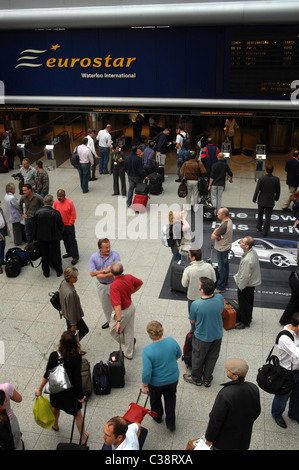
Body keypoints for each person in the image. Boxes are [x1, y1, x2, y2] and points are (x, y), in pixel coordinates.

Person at [35, 331, 88, 444]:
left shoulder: (54, 355)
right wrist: (80, 396)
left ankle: (55, 424)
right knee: (78, 414)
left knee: (56, 407)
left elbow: (47, 374)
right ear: (75, 343)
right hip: (70, 394)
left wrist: (39, 389)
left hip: (56, 391)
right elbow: (77, 380)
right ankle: (83, 438)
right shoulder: (76, 358)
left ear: (61, 343)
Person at [204, 358, 261, 450]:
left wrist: (209, 438)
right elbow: (257, 411)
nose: (226, 370)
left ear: (235, 376)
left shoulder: (226, 393)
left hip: (223, 442)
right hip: (243, 439)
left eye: (229, 370)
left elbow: (216, 419)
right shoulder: (253, 388)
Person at [141, 321, 182, 432]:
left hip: (156, 383)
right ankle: (171, 423)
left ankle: (157, 417)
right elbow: (179, 354)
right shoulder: (171, 341)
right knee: (170, 398)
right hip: (173, 379)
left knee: (155, 400)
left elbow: (147, 372)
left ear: (149, 334)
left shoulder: (147, 351)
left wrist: (144, 385)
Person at [183, 277, 224, 387]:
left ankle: (196, 378)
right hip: (217, 335)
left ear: (202, 290)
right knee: (212, 357)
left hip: (202, 337)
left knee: (198, 357)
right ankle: (207, 378)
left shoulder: (196, 304)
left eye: (199, 285)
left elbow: (192, 320)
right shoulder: (219, 298)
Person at [109, 261, 143, 360]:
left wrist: (118, 321)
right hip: (130, 307)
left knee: (113, 331)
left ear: (111, 272)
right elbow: (140, 283)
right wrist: (131, 292)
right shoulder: (129, 277)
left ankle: (130, 343)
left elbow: (117, 306)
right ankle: (129, 353)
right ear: (122, 270)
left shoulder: (114, 286)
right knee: (129, 330)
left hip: (123, 311)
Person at [271, 313, 299, 429]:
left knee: (297, 395)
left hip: (297, 370)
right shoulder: (285, 338)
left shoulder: (296, 332)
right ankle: (277, 414)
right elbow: (297, 354)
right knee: (282, 396)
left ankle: (294, 414)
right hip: (287, 372)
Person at [181, 249, 217, 331]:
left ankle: (194, 331)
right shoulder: (209, 266)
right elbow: (214, 280)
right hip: (208, 297)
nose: (189, 257)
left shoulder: (189, 269)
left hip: (193, 297)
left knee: (193, 317)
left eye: (190, 255)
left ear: (193, 258)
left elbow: (184, 284)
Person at [89, 238, 120, 329]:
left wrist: (104, 275)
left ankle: (119, 321)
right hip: (101, 286)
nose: (108, 249)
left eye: (109, 246)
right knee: (106, 306)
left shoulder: (115, 255)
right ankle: (110, 322)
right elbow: (92, 273)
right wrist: (104, 271)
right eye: (106, 248)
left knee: (117, 305)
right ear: (100, 248)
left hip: (113, 284)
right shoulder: (93, 257)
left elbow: (117, 271)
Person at [234, 236, 261, 329]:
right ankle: (247, 318)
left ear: (247, 246)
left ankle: (245, 322)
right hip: (251, 283)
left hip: (245, 285)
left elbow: (245, 275)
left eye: (243, 242)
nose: (240, 242)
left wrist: (241, 286)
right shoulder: (252, 252)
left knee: (244, 303)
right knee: (249, 302)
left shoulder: (247, 259)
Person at [34, 194, 64, 277]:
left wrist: (35, 238)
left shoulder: (37, 212)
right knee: (56, 255)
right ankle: (59, 271)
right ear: (51, 203)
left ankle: (46, 272)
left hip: (42, 239)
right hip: (54, 238)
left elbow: (34, 227)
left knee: (44, 255)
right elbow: (61, 226)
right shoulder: (55, 213)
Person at [59, 267, 89, 348]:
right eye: (75, 277)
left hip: (66, 314)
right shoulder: (70, 293)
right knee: (84, 330)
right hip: (72, 317)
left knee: (70, 334)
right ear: (69, 277)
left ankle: (69, 347)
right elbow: (72, 309)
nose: (77, 279)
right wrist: (73, 324)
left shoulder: (63, 283)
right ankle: (72, 347)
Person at [253, 163, 280, 237]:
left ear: (266, 170)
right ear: (272, 170)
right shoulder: (276, 179)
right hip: (270, 200)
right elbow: (278, 190)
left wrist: (254, 198)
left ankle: (259, 227)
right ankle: (265, 231)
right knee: (268, 216)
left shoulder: (262, 179)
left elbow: (257, 189)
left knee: (260, 213)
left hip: (262, 199)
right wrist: (277, 198)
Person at [54, 189, 79, 266]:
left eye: (61, 196)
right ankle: (69, 253)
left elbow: (73, 214)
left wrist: (70, 223)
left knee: (72, 241)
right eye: (58, 196)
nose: (59, 197)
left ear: (64, 195)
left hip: (69, 225)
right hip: (61, 226)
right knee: (65, 240)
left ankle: (75, 257)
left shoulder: (69, 203)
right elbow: (55, 213)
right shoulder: (56, 202)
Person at [211, 207, 233, 293]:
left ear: (224, 215)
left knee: (221, 268)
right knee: (225, 265)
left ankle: (220, 286)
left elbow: (212, 237)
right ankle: (225, 281)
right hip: (226, 247)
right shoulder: (229, 221)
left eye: (219, 214)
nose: (217, 214)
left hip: (222, 248)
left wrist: (215, 231)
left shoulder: (223, 226)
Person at [0, 383, 23, 450]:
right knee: (16, 443)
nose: (7, 400)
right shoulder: (5, 387)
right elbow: (19, 399)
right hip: (10, 420)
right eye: (5, 400)